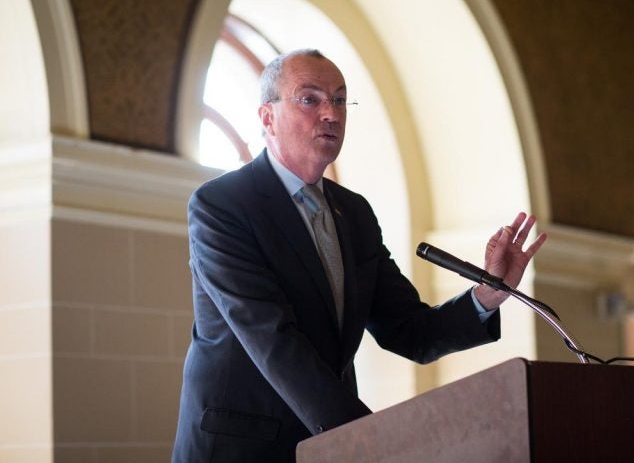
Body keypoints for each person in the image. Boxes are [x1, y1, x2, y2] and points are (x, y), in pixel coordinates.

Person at [171, 48, 546, 462]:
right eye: (310, 98)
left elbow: (409, 329)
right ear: (267, 118)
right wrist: (369, 437)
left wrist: (487, 295)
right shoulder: (222, 205)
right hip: (239, 446)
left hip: (328, 446)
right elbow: (273, 340)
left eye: (339, 99)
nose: (331, 113)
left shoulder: (353, 213)